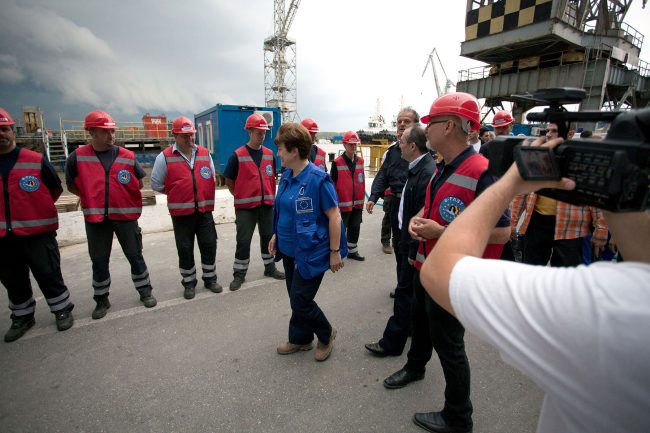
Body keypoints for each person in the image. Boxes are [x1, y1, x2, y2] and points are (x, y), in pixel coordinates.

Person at [418, 111, 650, 432]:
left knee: (451, 345)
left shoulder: (608, 306)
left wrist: (511, 182)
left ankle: (458, 415)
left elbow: (442, 269)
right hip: (536, 228)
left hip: (563, 234)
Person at [396, 93, 510, 433]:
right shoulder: (442, 166)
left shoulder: (482, 171)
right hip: (427, 266)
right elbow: (431, 208)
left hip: (456, 276)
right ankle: (415, 366)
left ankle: (458, 417)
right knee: (420, 322)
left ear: (448, 126)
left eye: (430, 122)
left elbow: (502, 233)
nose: (424, 128)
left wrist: (439, 230)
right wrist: (419, 220)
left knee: (449, 345)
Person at [66, 110, 156, 320]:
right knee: (99, 260)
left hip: (125, 217)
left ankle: (145, 291)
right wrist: (93, 199)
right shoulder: (77, 158)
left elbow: (138, 183)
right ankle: (101, 299)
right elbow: (71, 185)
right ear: (92, 132)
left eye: (112, 131)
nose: (111, 136)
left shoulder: (127, 156)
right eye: (105, 132)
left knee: (135, 255)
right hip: (96, 219)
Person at [269, 123, 346, 362]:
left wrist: (334, 252)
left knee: (301, 300)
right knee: (296, 298)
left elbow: (334, 216)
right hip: (290, 250)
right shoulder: (286, 177)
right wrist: (276, 235)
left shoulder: (318, 179)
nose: (278, 153)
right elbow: (284, 211)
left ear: (294, 151)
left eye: (281, 148)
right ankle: (300, 338)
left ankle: (326, 334)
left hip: (311, 251)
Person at [0, 107, 74, 342]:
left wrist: (32, 212)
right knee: (12, 279)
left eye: (4, 129)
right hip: (3, 236)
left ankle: (61, 310)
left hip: (37, 233)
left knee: (49, 273)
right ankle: (22, 317)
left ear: (13, 131)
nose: (1, 134)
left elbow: (54, 188)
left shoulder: (34, 160)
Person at [365, 125, 436, 357]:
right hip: (407, 240)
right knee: (410, 293)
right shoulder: (418, 167)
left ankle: (392, 343)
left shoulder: (425, 172)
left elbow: (421, 218)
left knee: (405, 292)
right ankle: (409, 330)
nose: (399, 145)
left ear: (413, 146)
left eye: (403, 142)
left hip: (413, 245)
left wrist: (411, 251)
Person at [511, 122, 608, 267]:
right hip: (537, 223)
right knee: (531, 269)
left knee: (566, 274)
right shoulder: (538, 157)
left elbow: (594, 198)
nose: (549, 134)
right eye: (547, 130)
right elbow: (521, 193)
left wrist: (601, 229)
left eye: (554, 131)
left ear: (569, 134)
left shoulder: (580, 161)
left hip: (570, 228)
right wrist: (512, 222)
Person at [151, 116, 222, 300]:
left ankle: (210, 279)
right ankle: (189, 283)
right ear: (175, 136)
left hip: (204, 211)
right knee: (185, 249)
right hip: (181, 214)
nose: (190, 139)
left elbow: (211, 178)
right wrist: (178, 193)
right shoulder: (164, 157)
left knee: (209, 245)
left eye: (191, 135)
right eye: (185, 136)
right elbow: (157, 184)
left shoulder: (205, 154)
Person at [224, 113, 285, 291]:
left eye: (264, 132)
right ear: (249, 131)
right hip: (245, 208)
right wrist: (241, 195)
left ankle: (270, 267)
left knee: (268, 238)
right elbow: (229, 181)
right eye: (258, 132)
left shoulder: (269, 155)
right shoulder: (237, 156)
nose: (262, 135)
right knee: (243, 240)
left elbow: (271, 177)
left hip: (266, 206)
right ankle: (239, 274)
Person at [368, 108, 418, 296]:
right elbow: (383, 175)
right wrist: (373, 197)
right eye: (399, 121)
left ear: (416, 126)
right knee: (399, 249)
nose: (402, 124)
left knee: (412, 250)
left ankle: (412, 289)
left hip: (415, 206)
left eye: (407, 121)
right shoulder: (392, 152)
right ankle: (402, 286)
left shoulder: (424, 150)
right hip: (397, 204)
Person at [330, 131, 365, 261]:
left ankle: (353, 251)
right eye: (351, 144)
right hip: (342, 203)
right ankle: (337, 252)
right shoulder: (337, 163)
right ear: (344, 145)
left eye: (355, 144)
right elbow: (331, 184)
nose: (353, 147)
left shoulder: (360, 161)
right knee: (340, 229)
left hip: (357, 203)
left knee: (355, 227)